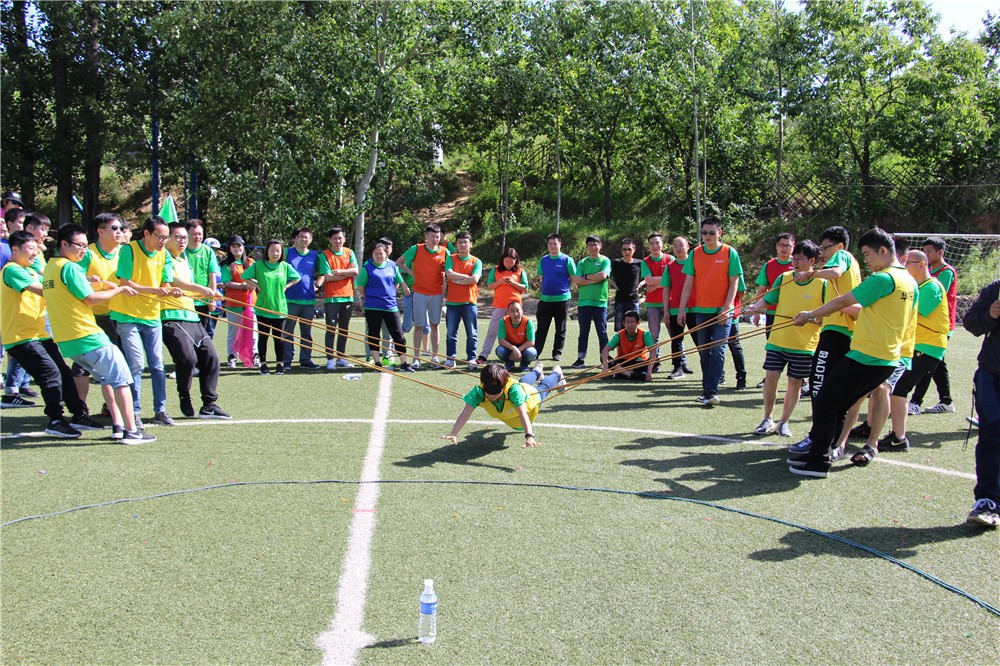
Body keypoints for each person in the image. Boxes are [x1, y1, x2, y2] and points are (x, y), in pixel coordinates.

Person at [788, 228, 918, 478]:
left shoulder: (883, 279)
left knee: (826, 400)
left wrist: (810, 314)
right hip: (887, 358)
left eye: (868, 254)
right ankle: (820, 451)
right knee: (837, 404)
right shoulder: (909, 282)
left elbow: (843, 301)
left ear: (883, 250)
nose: (866, 260)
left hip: (867, 356)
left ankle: (818, 462)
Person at [42, 225, 154, 444]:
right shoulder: (70, 268)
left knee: (108, 379)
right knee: (121, 380)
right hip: (87, 335)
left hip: (68, 340)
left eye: (86, 245)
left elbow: (68, 291)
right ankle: (131, 431)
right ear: (64, 244)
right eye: (79, 246)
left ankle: (118, 426)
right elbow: (90, 299)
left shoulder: (51, 267)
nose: (84, 250)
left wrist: (91, 281)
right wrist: (120, 290)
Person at [1, 231, 104, 437]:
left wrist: (81, 280)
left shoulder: (30, 269)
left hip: (39, 334)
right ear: (15, 250)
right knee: (50, 374)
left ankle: (78, 414)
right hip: (21, 337)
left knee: (63, 373)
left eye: (36, 248)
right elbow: (47, 290)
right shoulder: (12, 270)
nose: (35, 253)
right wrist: (78, 286)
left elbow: (53, 282)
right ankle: (55, 419)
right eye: (30, 248)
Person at [861, 250, 949, 459]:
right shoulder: (916, 287)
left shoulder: (932, 287)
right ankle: (879, 429)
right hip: (916, 345)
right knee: (890, 388)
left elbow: (912, 313)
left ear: (921, 265)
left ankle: (899, 438)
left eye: (908, 262)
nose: (904, 265)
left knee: (898, 390)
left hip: (927, 346)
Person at [787, 226, 863, 455]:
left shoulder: (842, 256)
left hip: (838, 332)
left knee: (819, 384)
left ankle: (818, 439)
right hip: (840, 329)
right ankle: (830, 440)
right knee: (832, 388)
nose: (823, 253)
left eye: (825, 248)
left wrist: (810, 273)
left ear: (839, 245)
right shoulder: (854, 263)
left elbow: (835, 272)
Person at [746, 240, 826, 438]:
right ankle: (767, 419)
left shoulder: (823, 283)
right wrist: (756, 306)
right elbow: (769, 299)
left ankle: (784, 422)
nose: (795, 262)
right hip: (778, 340)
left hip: (804, 345)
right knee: (771, 378)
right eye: (794, 258)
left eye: (800, 259)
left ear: (812, 260)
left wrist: (812, 318)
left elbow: (827, 314)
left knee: (794, 382)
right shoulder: (784, 278)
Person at [111, 215, 181, 428]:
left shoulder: (164, 255)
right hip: (127, 316)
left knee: (158, 365)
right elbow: (126, 282)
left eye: (166, 237)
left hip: (152, 316)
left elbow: (165, 282)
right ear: (147, 234)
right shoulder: (129, 250)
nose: (163, 241)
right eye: (160, 237)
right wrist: (157, 290)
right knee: (136, 364)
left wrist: (170, 291)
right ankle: (135, 412)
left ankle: (160, 410)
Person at [160, 224, 230, 419]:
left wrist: (210, 293)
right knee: (187, 359)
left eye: (184, 238)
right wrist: (202, 289)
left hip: (191, 315)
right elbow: (172, 281)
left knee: (211, 358)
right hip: (170, 315)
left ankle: (209, 404)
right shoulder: (163, 257)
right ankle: (184, 395)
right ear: (167, 239)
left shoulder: (184, 260)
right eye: (178, 237)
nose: (182, 241)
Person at [677, 217, 743, 406]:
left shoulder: (730, 252)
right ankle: (707, 391)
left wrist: (727, 308)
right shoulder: (696, 253)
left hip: (722, 311)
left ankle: (712, 391)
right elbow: (688, 283)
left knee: (718, 350)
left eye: (712, 233)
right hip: (700, 310)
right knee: (704, 352)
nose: (708, 236)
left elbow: (734, 283)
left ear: (719, 233)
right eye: (704, 232)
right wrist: (682, 309)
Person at [443, 361, 565, 448]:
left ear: (503, 385)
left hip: (530, 403)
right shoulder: (478, 392)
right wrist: (453, 433)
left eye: (496, 392)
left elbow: (522, 413)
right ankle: (537, 372)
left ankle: (557, 374)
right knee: (522, 381)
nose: (491, 396)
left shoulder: (513, 390)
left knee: (543, 387)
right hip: (512, 405)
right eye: (488, 392)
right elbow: (466, 412)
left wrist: (529, 436)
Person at [73, 213, 125, 408]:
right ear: (100, 231)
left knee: (119, 362)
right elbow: (72, 278)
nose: (119, 232)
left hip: (120, 315)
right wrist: (93, 282)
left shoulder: (124, 252)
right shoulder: (88, 254)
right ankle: (80, 409)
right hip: (93, 315)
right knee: (83, 364)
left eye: (121, 228)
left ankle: (110, 407)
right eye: (114, 228)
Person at [962, 276, 1000, 527]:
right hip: (991, 376)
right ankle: (987, 500)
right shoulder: (995, 289)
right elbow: (971, 324)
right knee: (991, 436)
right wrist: (991, 316)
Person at [910, 236, 958, 414]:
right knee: (936, 364)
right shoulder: (926, 272)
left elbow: (936, 297)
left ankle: (915, 401)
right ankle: (946, 401)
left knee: (929, 363)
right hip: (927, 327)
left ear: (941, 252)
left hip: (940, 326)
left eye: (929, 251)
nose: (926, 254)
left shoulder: (945, 272)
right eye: (925, 251)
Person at [243, 239, 301, 375]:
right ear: (267, 251)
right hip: (263, 308)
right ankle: (263, 365)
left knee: (279, 339)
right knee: (263, 338)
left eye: (278, 251)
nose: (275, 253)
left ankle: (279, 364)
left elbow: (297, 277)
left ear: (281, 252)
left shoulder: (285, 266)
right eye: (272, 250)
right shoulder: (258, 265)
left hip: (279, 308)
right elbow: (244, 276)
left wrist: (286, 287)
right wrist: (256, 286)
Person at [356, 240, 414, 372]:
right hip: (373, 307)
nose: (378, 256)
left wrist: (389, 293)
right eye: (375, 253)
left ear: (386, 254)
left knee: (398, 334)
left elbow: (398, 281)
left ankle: (404, 363)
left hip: (390, 306)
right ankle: (377, 362)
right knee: (374, 334)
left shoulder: (392, 266)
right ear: (372, 255)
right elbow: (360, 287)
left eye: (381, 253)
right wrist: (372, 296)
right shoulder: (367, 268)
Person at [398, 224, 447, 368]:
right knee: (418, 326)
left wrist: (445, 289)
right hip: (419, 293)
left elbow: (449, 270)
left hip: (436, 294)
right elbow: (399, 262)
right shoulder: (416, 249)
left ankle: (435, 357)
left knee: (435, 325)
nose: (435, 239)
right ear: (426, 236)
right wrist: (413, 274)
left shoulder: (445, 251)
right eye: (432, 236)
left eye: (437, 236)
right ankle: (416, 359)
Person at [752, 233, 796, 387]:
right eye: (782, 245)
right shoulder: (769, 265)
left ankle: (801, 380)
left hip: (792, 315)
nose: (784, 248)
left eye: (788, 245)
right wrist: (757, 311)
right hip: (771, 313)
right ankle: (768, 378)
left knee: (795, 347)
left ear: (793, 247)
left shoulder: (798, 266)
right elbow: (762, 289)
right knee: (772, 347)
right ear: (776, 247)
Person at [477, 246, 529, 365]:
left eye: (512, 261)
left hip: (515, 307)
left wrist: (513, 282)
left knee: (516, 332)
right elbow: (490, 286)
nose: (509, 264)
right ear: (502, 260)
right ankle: (483, 355)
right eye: (506, 261)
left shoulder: (520, 271)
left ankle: (520, 356)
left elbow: (525, 288)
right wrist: (500, 282)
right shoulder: (496, 270)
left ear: (516, 261)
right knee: (493, 330)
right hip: (499, 305)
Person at [283, 227, 321, 369]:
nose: (304, 239)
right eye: (301, 237)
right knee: (287, 332)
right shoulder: (287, 253)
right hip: (289, 299)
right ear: (294, 239)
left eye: (307, 237)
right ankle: (286, 360)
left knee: (306, 333)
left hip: (308, 299)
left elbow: (322, 272)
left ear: (310, 240)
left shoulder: (314, 255)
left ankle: (305, 360)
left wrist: (318, 283)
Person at [535, 233, 576, 361]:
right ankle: (536, 352)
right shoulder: (543, 260)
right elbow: (541, 277)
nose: (552, 246)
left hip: (562, 299)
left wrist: (564, 289)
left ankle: (557, 353)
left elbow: (573, 278)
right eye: (550, 244)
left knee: (561, 328)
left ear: (560, 244)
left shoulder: (567, 259)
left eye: (555, 243)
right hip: (545, 300)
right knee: (541, 327)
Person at [444, 231, 482, 370]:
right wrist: (466, 277)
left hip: (470, 303)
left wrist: (457, 280)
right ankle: (450, 358)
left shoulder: (476, 261)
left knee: (472, 333)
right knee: (451, 334)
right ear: (456, 245)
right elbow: (449, 274)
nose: (462, 245)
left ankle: (471, 359)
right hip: (453, 303)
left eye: (465, 242)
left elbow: (474, 279)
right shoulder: (451, 258)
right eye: (460, 242)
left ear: (471, 244)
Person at [572, 235, 611, 368]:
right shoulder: (582, 263)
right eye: (590, 245)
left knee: (602, 332)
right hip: (584, 302)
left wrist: (587, 277)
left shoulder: (605, 260)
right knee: (583, 332)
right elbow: (577, 280)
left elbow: (603, 275)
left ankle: (604, 359)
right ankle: (580, 359)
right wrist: (595, 279)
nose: (592, 247)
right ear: (587, 247)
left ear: (600, 246)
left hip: (599, 302)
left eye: (595, 244)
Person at [660, 236, 696, 379]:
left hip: (694, 308)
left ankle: (709, 368)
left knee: (700, 340)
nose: (678, 248)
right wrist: (666, 310)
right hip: (675, 308)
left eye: (681, 245)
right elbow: (666, 289)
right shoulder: (670, 266)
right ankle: (677, 367)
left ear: (688, 246)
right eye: (675, 245)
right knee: (676, 339)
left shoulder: (695, 263)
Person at [220, 235, 258, 368]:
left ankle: (254, 355)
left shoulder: (251, 262)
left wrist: (253, 284)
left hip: (251, 303)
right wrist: (243, 285)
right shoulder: (227, 265)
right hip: (233, 303)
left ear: (243, 247)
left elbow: (257, 278)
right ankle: (232, 357)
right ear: (230, 249)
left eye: (239, 246)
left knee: (253, 332)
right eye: (234, 246)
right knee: (233, 333)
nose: (237, 249)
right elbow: (226, 282)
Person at [640, 233, 671, 373]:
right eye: (651, 243)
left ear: (662, 244)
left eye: (657, 243)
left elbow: (673, 279)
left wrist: (655, 285)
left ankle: (680, 362)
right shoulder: (645, 261)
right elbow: (648, 281)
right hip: (652, 304)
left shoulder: (670, 259)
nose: (654, 246)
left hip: (669, 303)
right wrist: (662, 282)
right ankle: (656, 362)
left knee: (675, 333)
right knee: (654, 335)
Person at [184, 220, 221, 338]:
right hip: (185, 301)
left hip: (203, 300)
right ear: (187, 234)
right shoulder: (181, 251)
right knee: (187, 336)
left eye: (200, 234)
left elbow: (212, 276)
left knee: (202, 335)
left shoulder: (207, 251)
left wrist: (213, 299)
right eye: (194, 234)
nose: (197, 237)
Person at [600, 310, 655, 381]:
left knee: (656, 361)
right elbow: (605, 350)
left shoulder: (645, 334)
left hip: (638, 362)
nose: (629, 325)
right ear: (623, 323)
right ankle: (631, 375)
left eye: (632, 322)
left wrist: (649, 371)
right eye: (627, 322)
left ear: (638, 323)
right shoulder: (619, 335)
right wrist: (605, 366)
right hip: (623, 362)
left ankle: (621, 373)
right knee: (604, 357)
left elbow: (653, 351)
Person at [610, 238, 643, 331]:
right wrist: (613, 284)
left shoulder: (640, 263)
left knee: (634, 329)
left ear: (634, 250)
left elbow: (647, 277)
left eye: (629, 249)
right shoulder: (615, 263)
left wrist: (641, 284)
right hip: (620, 300)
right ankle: (620, 346)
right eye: (624, 249)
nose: (627, 252)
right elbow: (605, 275)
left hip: (634, 300)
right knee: (619, 330)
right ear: (621, 250)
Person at [495, 300, 537, 371]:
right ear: (508, 312)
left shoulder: (528, 322)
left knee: (531, 353)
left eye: (518, 310)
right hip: (509, 348)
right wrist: (513, 348)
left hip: (524, 348)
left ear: (522, 311)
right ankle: (509, 363)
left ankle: (524, 364)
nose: (516, 313)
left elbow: (531, 342)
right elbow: (501, 340)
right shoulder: (503, 321)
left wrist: (518, 350)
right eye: (512, 311)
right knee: (500, 350)